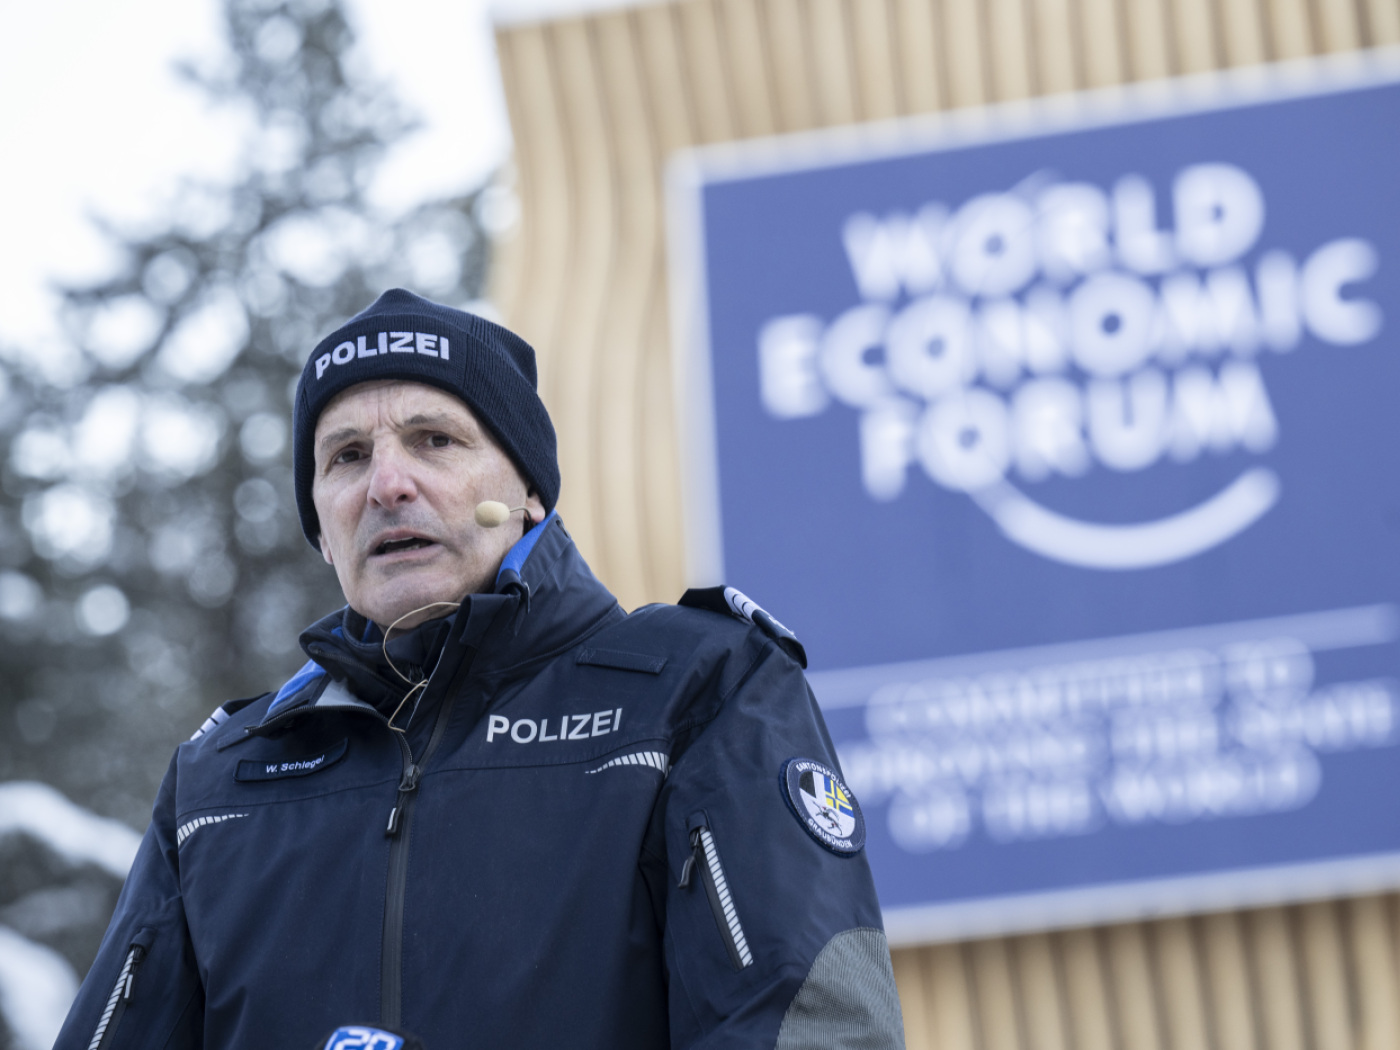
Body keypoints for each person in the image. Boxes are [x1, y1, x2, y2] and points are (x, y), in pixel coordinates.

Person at [55, 289, 905, 1050]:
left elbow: (812, 1029)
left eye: (435, 440)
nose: (387, 483)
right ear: (321, 528)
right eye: (346, 456)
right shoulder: (217, 786)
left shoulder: (700, 688)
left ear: (529, 490)